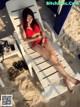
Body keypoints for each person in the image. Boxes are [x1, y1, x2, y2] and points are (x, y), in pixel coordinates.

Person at [20, 7, 80, 93]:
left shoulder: (35, 21)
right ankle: (69, 78)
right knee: (51, 57)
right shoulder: (23, 26)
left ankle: (66, 79)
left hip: (43, 39)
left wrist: (43, 38)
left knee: (55, 56)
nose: (30, 19)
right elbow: (25, 39)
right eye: (28, 18)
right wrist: (36, 38)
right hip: (35, 44)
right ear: (24, 18)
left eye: (31, 17)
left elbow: (42, 31)